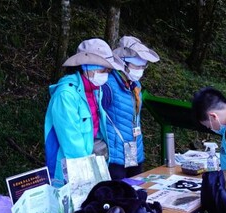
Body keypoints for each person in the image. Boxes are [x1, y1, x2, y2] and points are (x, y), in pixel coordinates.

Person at [44, 38, 124, 186]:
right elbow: (71, 142)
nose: (106, 74)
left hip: (93, 161)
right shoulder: (66, 95)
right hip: (72, 169)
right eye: (103, 70)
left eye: (108, 70)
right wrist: (88, 174)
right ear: (88, 67)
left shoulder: (95, 90)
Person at [102, 36, 160, 180]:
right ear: (123, 63)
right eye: (137, 66)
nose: (140, 70)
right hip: (114, 157)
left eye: (143, 66)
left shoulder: (135, 85)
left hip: (134, 153)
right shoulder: (107, 85)